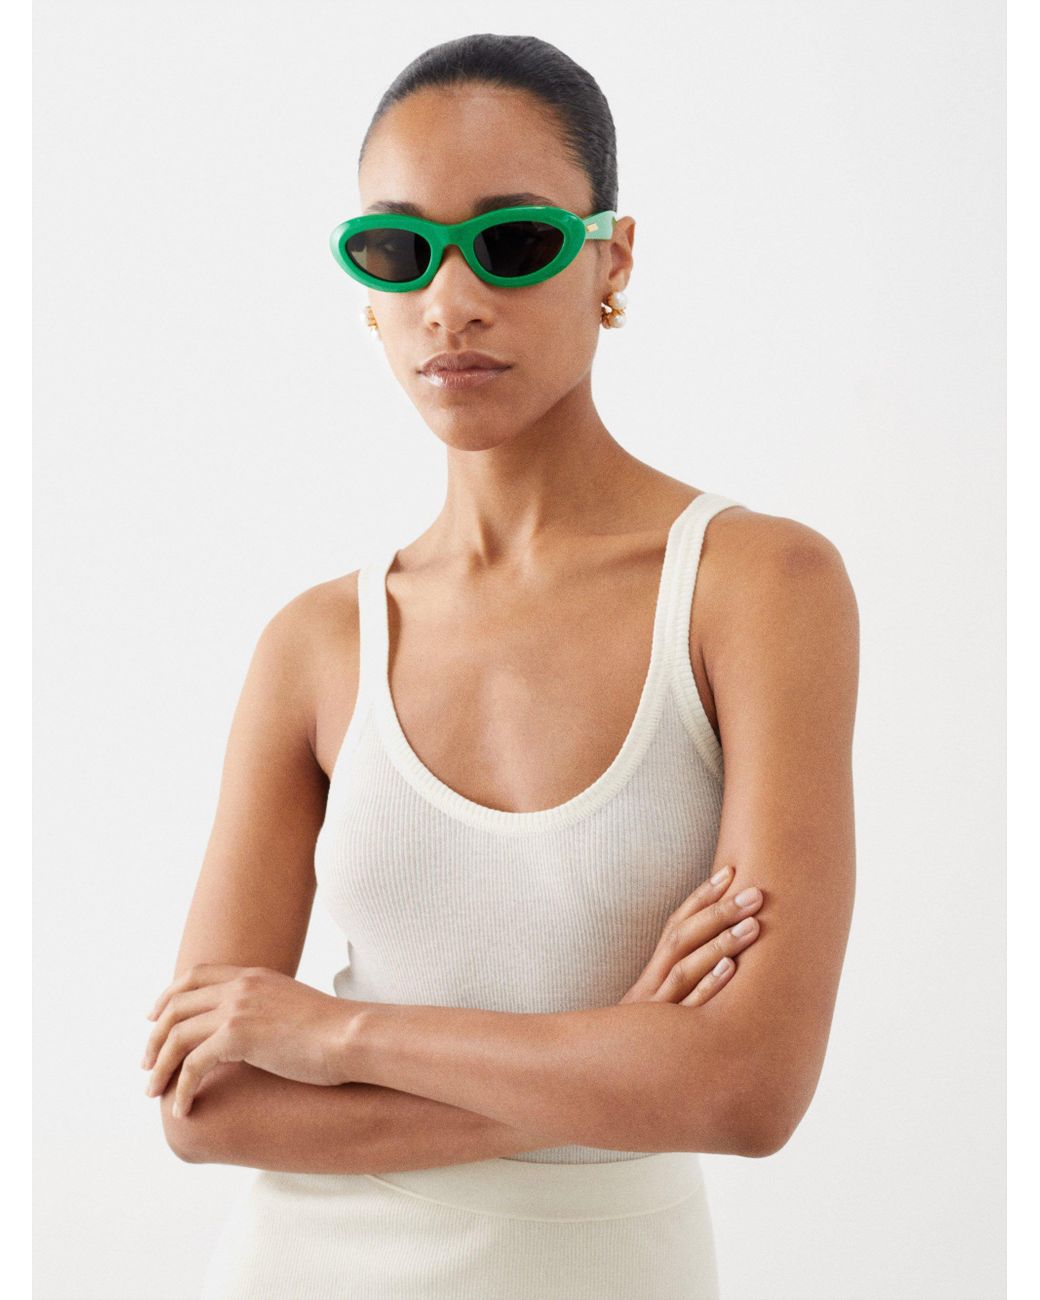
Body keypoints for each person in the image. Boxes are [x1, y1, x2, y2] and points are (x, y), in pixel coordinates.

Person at [140, 32, 859, 1299]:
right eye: (397, 250)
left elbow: (745, 1091)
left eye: (512, 241)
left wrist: (338, 1034)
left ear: (610, 258)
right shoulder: (316, 643)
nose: (449, 300)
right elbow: (205, 1103)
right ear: (366, 287)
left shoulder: (756, 586)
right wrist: (616, 1063)